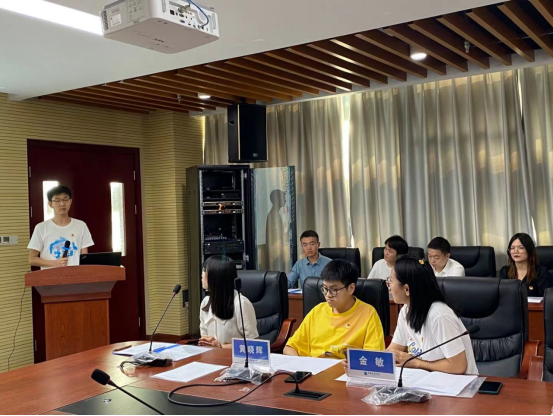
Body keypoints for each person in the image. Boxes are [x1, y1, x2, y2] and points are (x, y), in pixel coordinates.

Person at [387, 256, 478, 375]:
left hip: (456, 382)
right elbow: (394, 350)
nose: (389, 285)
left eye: (391, 280)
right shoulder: (406, 310)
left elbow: (458, 366)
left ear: (407, 289)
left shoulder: (440, 316)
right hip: (424, 379)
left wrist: (416, 363)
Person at [284, 260, 385, 359]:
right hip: (315, 367)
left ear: (351, 288)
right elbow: (290, 348)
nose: (328, 295)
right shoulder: (317, 311)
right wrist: (300, 364)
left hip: (346, 368)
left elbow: (373, 358)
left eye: (334, 289)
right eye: (325, 288)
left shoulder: (368, 314)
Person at [199, 256, 259, 349]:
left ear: (216, 277)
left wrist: (221, 347)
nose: (202, 275)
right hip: (211, 355)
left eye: (204, 270)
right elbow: (204, 337)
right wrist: (206, 342)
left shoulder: (241, 303)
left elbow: (254, 343)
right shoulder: (205, 303)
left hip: (234, 356)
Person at [28, 186, 94, 269]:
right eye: (57, 200)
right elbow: (32, 259)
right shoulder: (41, 228)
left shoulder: (81, 226)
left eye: (65, 199)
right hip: (51, 275)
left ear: (70, 201)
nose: (62, 204)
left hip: (75, 275)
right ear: (50, 204)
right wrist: (55, 263)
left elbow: (84, 257)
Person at [499, 233, 553, 297]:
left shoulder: (541, 272)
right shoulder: (505, 271)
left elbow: (547, 298)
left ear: (529, 250)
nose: (515, 251)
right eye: (512, 248)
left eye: (521, 248)